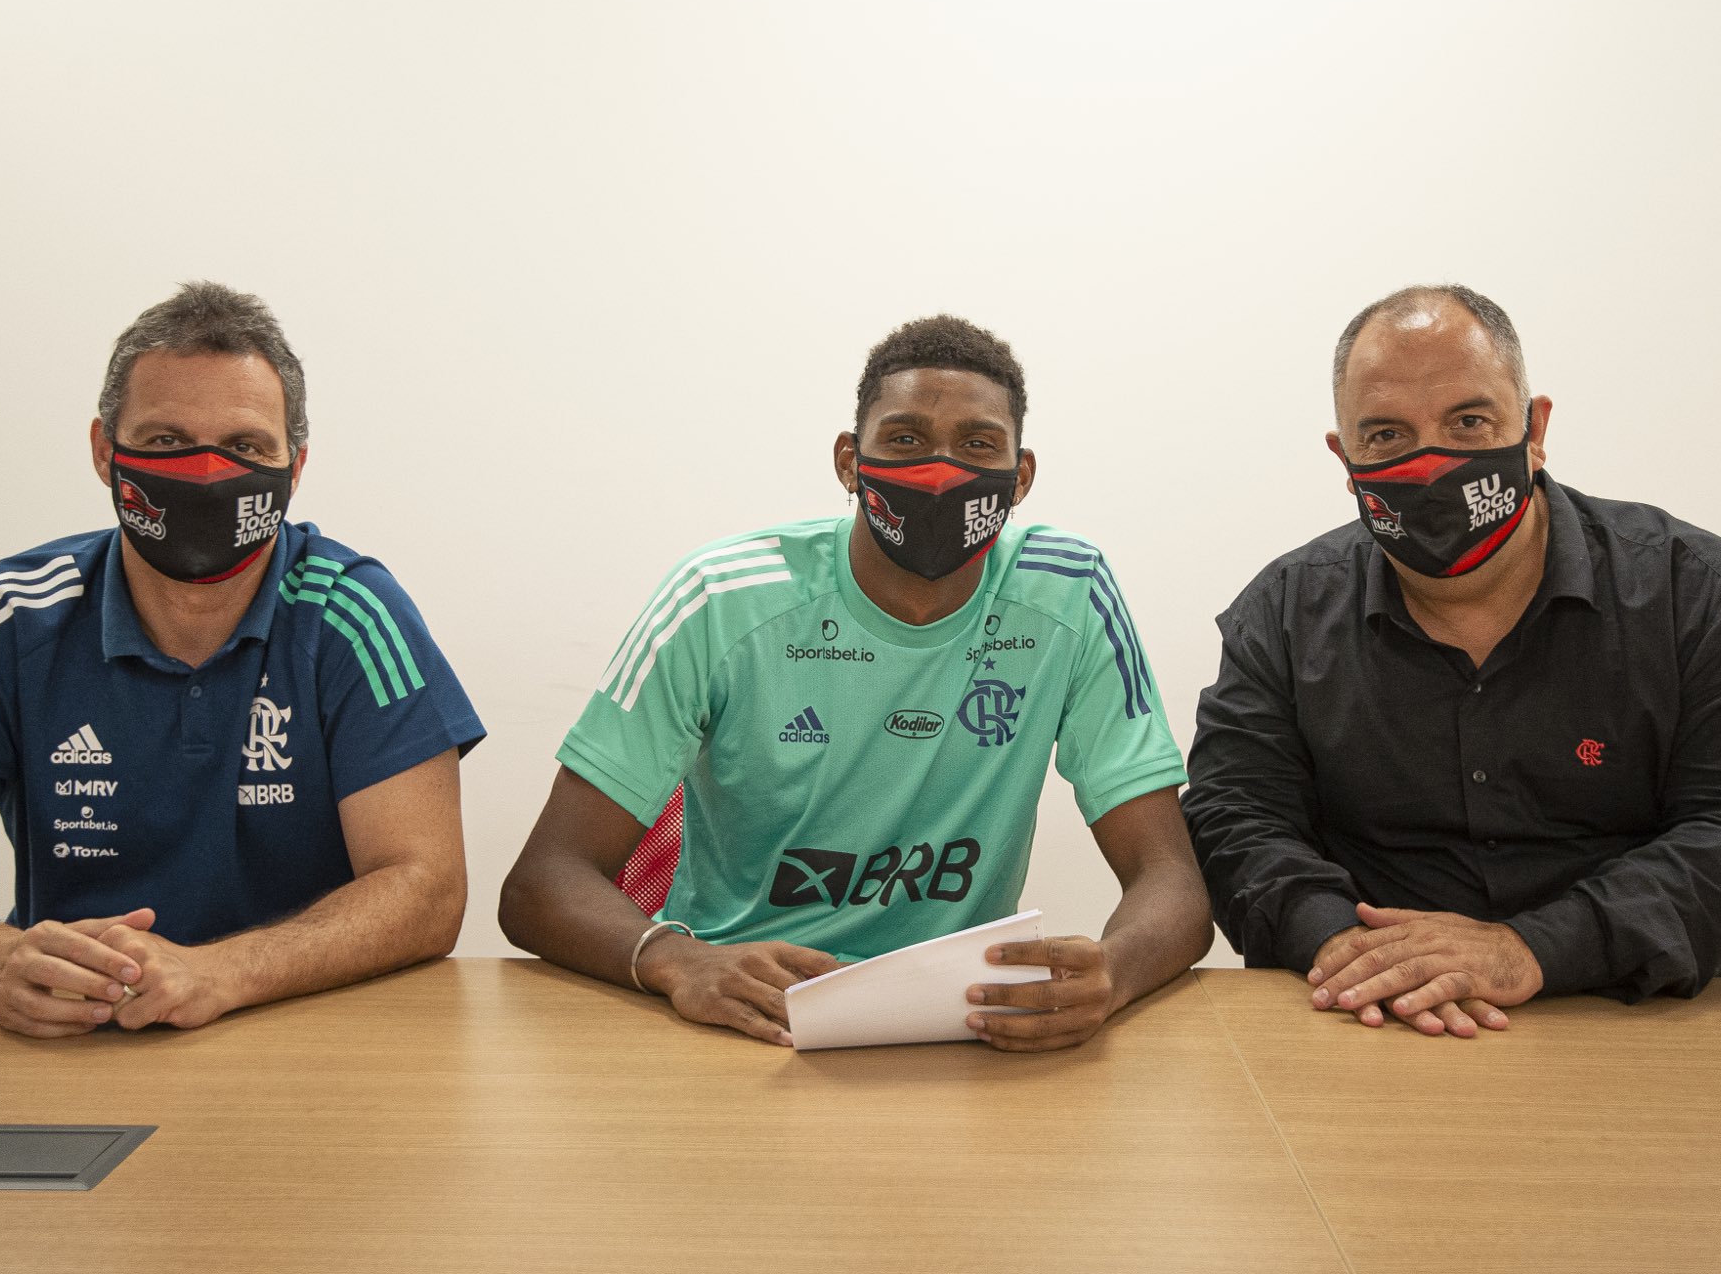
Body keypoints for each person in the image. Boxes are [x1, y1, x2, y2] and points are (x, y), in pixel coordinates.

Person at [499, 315, 1211, 1052]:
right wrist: (680, 960)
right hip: (739, 1022)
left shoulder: (1067, 591)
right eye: (904, 439)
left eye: (977, 444)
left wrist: (1113, 973)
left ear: (1021, 476)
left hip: (954, 1028)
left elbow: (1173, 884)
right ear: (849, 461)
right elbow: (541, 883)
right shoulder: (719, 598)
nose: (940, 472)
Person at [0, 282, 484, 1037]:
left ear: (296, 465)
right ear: (103, 452)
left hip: (305, 1040)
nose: (207, 474)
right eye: (168, 442)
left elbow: (428, 888)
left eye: (245, 447)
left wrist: (222, 972)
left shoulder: (353, 615)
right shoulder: (8, 618)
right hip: (73, 1039)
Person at [1184, 284, 1721, 1037]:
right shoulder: (1282, 616)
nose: (1430, 464)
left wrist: (1529, 949)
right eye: (1386, 434)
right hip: (1380, 1019)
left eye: (1468, 421)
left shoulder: (1710, 599)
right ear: (1345, 458)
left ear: (1535, 428)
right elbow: (1235, 820)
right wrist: (1344, 947)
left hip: (1649, 1018)